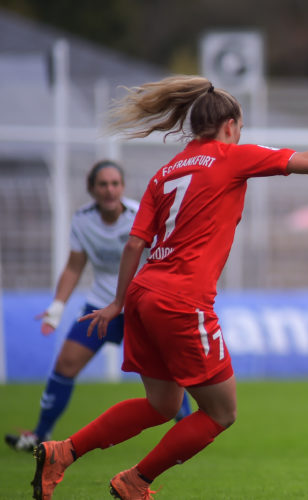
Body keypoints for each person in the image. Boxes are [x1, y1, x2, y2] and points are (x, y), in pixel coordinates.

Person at [29, 75, 308, 500]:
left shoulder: (164, 172)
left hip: (142, 294)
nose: (240, 134)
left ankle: (62, 451)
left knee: (162, 405)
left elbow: (135, 242)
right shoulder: (231, 156)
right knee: (221, 413)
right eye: (239, 127)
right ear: (228, 125)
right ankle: (135, 481)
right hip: (182, 300)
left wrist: (117, 303)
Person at [5, 161, 192, 454]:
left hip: (139, 309)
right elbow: (74, 266)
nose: (110, 190)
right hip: (100, 307)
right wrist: (57, 307)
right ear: (91, 189)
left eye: (115, 183)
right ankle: (39, 435)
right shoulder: (82, 219)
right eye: (103, 184)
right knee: (65, 364)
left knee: (167, 372)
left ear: (123, 187)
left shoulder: (138, 215)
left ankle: (188, 429)